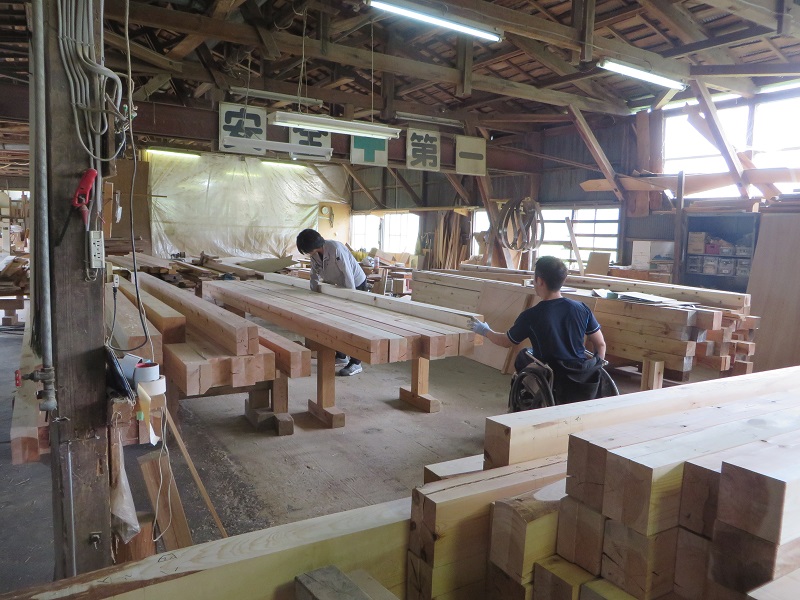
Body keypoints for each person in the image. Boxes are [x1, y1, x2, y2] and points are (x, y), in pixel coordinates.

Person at [469, 256, 607, 403]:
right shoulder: (582, 309)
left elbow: (506, 342)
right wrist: (593, 369)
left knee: (523, 356)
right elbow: (601, 344)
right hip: (581, 373)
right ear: (563, 280)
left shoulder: (531, 316)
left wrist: (485, 331)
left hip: (553, 375)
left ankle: (528, 395)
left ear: (540, 281)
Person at [296, 228, 367, 376]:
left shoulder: (335, 249)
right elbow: (314, 274)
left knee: (353, 324)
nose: (308, 253)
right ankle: (341, 356)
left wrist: (350, 298)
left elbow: (348, 274)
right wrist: (313, 292)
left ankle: (356, 363)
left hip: (355, 285)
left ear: (313, 246)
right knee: (337, 321)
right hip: (338, 286)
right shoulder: (315, 254)